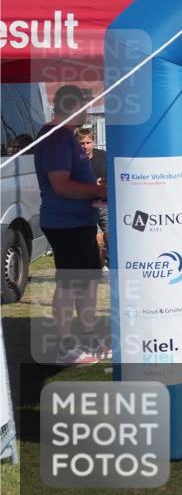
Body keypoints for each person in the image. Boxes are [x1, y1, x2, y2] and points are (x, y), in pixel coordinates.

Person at [34, 85, 108, 364]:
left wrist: (95, 193)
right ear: (73, 106)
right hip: (65, 224)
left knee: (88, 282)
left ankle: (88, 338)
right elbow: (61, 185)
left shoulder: (67, 136)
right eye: (85, 105)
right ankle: (64, 345)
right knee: (69, 284)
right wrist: (99, 192)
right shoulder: (55, 138)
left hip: (81, 221)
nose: (88, 110)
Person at [74, 127, 108, 271]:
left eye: (88, 143)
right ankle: (101, 269)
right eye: (81, 143)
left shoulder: (103, 156)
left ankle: (112, 264)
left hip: (103, 203)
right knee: (98, 240)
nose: (85, 146)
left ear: (93, 142)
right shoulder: (73, 160)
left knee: (110, 237)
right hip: (85, 206)